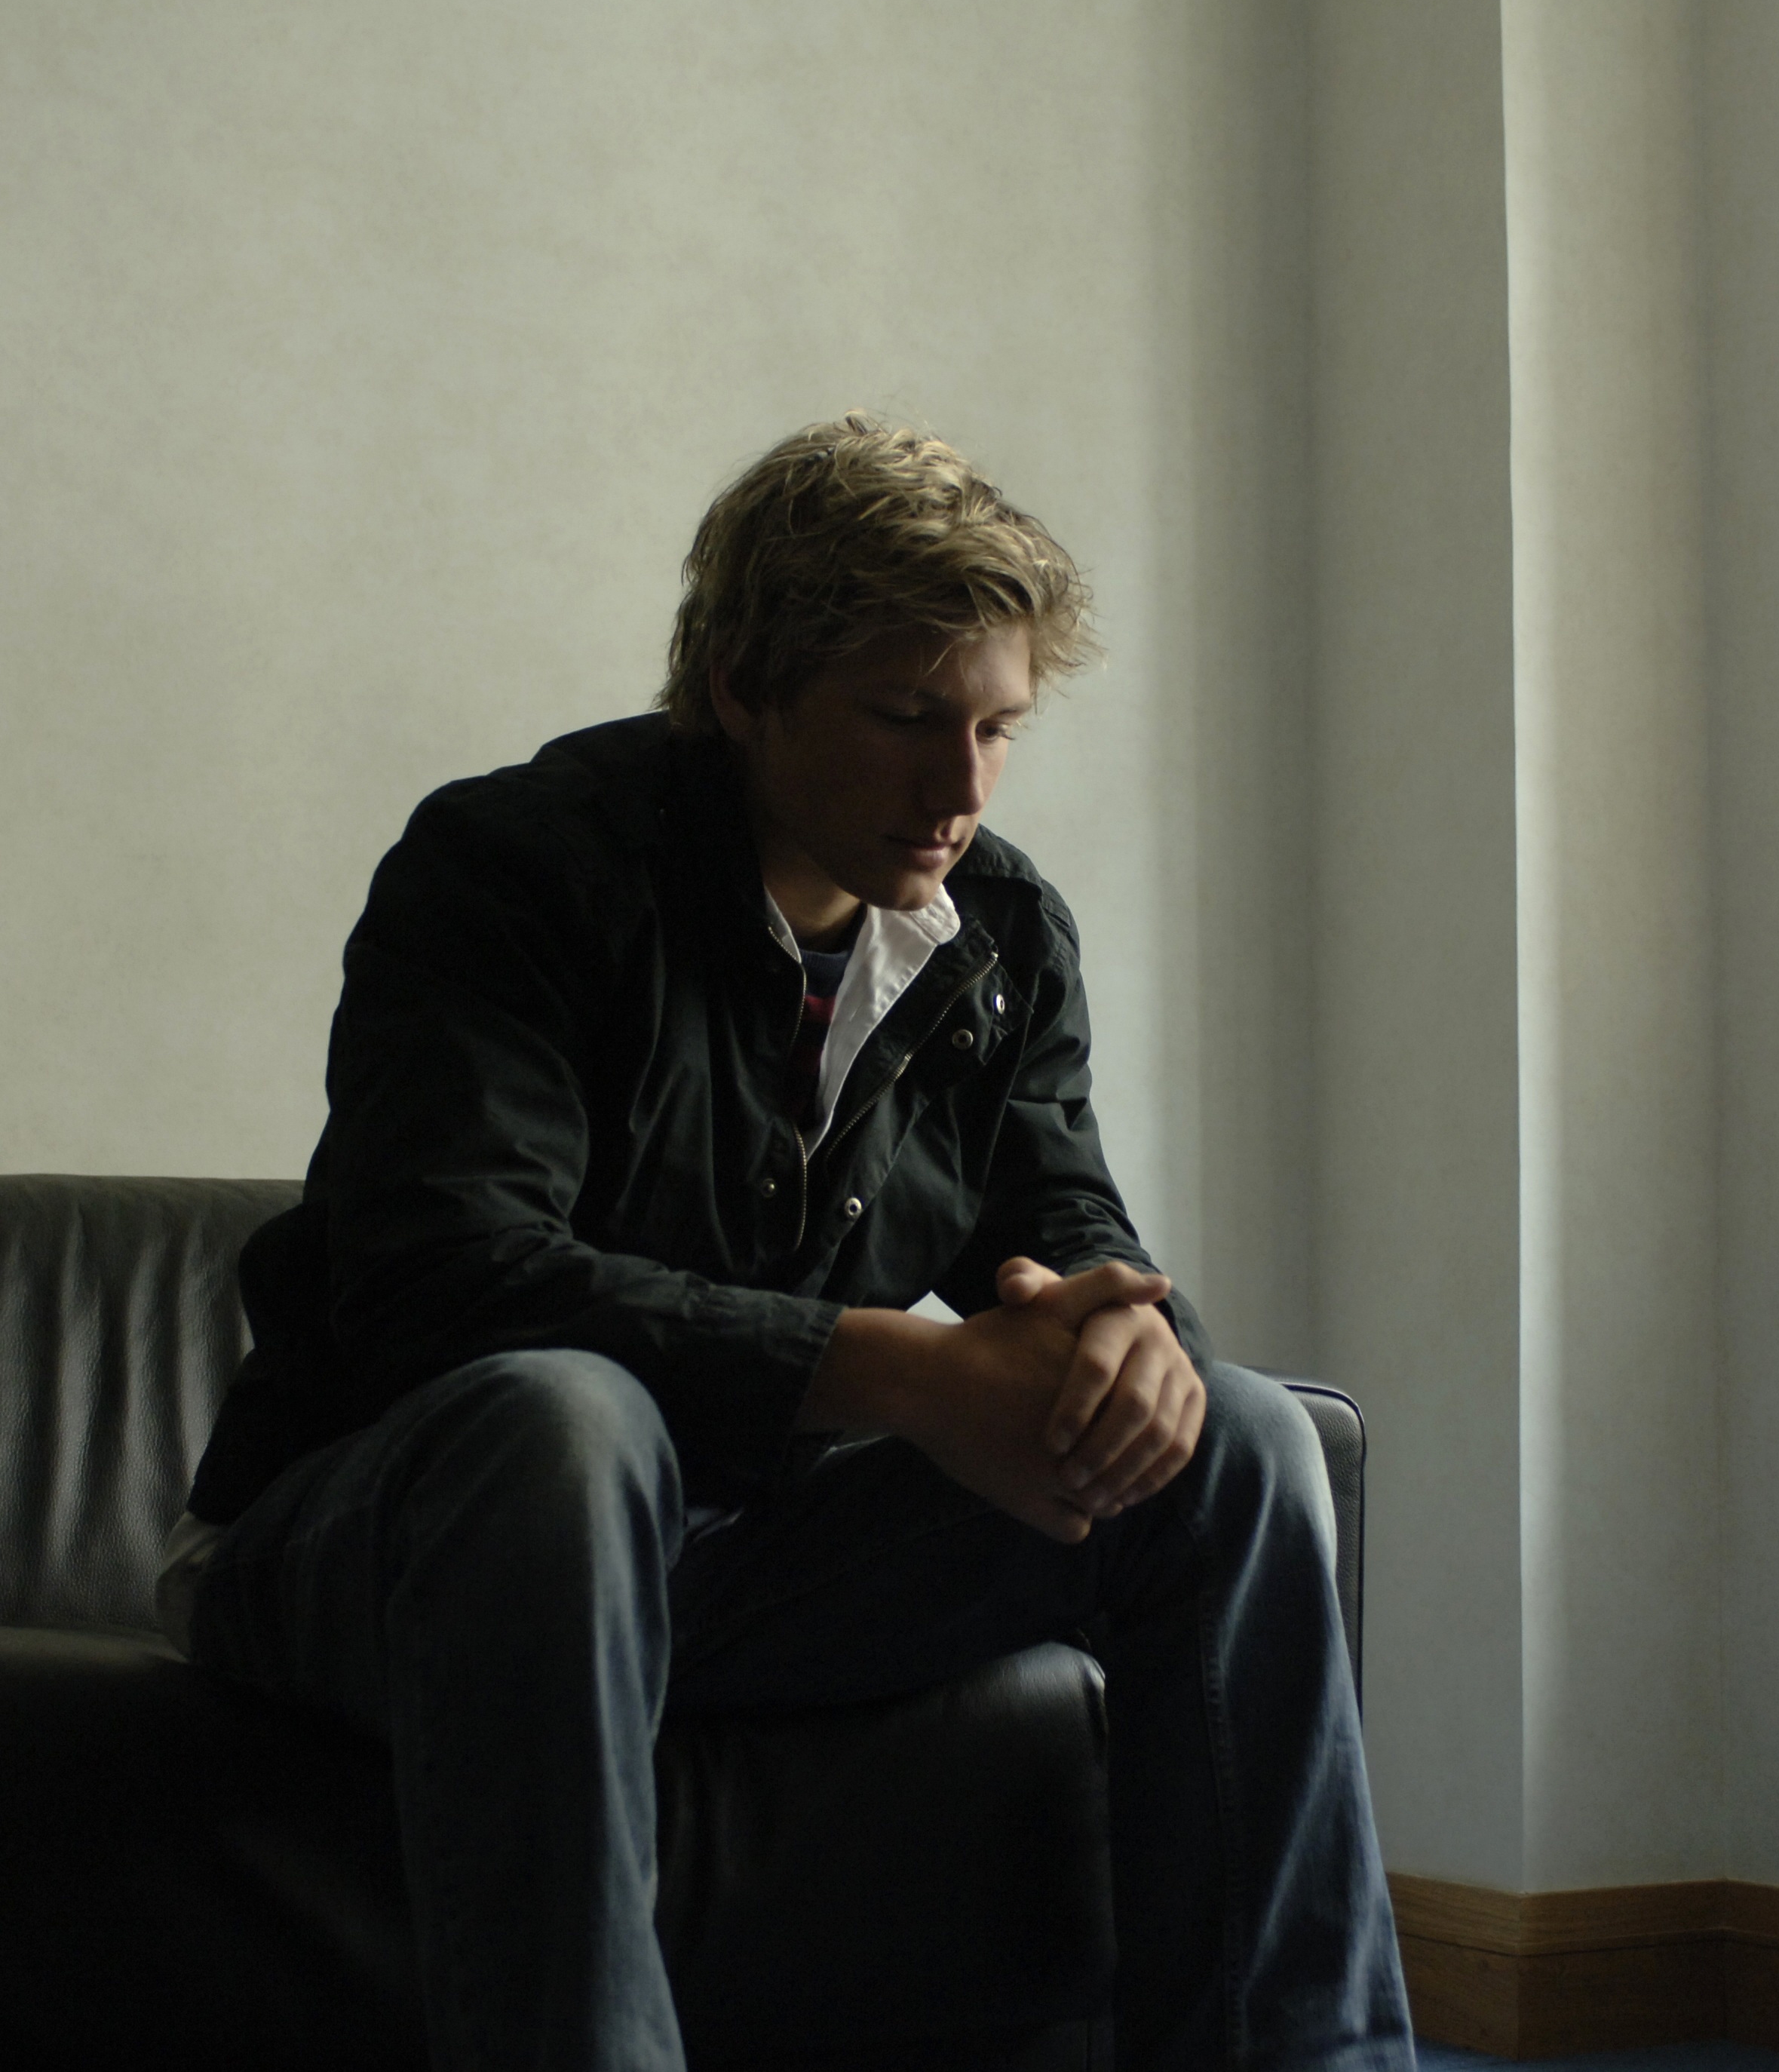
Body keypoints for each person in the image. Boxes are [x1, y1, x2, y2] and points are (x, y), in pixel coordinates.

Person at [162, 415, 1412, 2070]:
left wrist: (1119, 1335)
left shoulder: (1002, 934)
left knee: (1234, 1438)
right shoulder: (514, 866)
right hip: (395, 1548)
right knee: (562, 1419)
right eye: (905, 717)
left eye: (996, 727)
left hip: (742, 1562)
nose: (960, 787)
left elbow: (1063, 1223)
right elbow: (442, 1279)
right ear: (743, 687)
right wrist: (900, 1371)